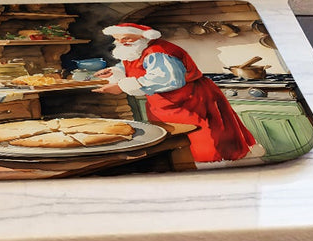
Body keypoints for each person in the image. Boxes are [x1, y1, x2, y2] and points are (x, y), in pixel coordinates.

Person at [95, 23, 260, 164]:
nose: (121, 42)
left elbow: (168, 80)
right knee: (174, 141)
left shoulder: (159, 52)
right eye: (117, 39)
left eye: (126, 38)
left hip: (190, 100)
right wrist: (114, 72)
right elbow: (131, 65)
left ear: (143, 37)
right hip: (164, 103)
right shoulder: (134, 49)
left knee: (201, 138)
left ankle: (210, 172)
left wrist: (122, 86)